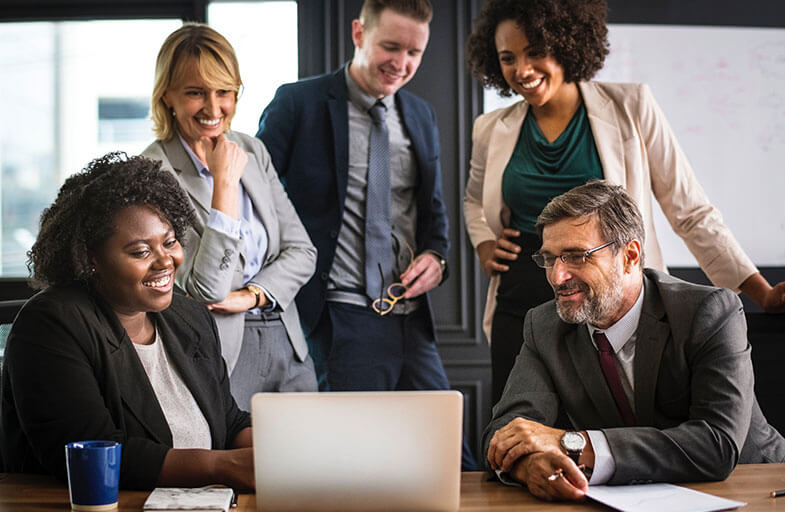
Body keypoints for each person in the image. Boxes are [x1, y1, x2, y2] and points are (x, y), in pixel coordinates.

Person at [463, 0, 785, 406]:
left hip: (610, 298)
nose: (522, 70)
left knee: (612, 428)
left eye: (537, 51)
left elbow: (690, 210)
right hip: (521, 298)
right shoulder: (490, 128)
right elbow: (473, 201)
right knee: (518, 426)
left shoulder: (631, 107)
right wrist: (484, 242)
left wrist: (760, 292)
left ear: (567, 43)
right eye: (508, 58)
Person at [484, 180, 785, 501]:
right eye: (549, 259)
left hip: (762, 490)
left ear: (630, 256)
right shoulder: (544, 325)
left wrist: (573, 444)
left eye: (576, 256)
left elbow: (716, 443)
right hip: (634, 500)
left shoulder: (708, 311)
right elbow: (507, 430)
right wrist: (531, 464)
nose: (557, 277)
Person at [1, 153, 254, 490]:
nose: (165, 261)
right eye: (140, 252)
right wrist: (223, 467)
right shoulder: (50, 325)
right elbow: (91, 449)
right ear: (90, 259)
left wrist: (279, 448)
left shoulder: (188, 316)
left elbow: (229, 420)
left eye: (169, 242)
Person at [256, 0, 449, 395]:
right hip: (338, 317)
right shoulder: (297, 104)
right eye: (391, 47)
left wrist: (437, 257)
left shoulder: (420, 114)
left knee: (448, 450)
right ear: (359, 33)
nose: (401, 63)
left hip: (412, 320)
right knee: (354, 451)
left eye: (414, 52)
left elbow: (433, 211)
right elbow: (255, 197)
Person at [142, 23, 318, 410]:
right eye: (195, 93)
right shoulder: (153, 171)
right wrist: (224, 184)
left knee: (310, 465)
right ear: (167, 96)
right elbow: (207, 288)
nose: (213, 107)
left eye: (224, 92)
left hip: (286, 340)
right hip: (219, 350)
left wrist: (252, 295)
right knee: (235, 468)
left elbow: (302, 251)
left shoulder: (251, 150)